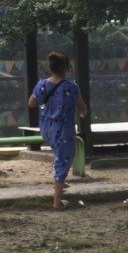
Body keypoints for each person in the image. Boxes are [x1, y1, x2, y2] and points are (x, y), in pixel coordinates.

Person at [28, 50, 87, 211]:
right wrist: (82, 113)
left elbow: (31, 103)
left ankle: (59, 184)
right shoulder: (71, 87)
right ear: (66, 67)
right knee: (63, 161)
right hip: (63, 129)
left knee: (59, 156)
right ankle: (57, 202)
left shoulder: (42, 84)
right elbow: (82, 107)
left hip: (46, 128)